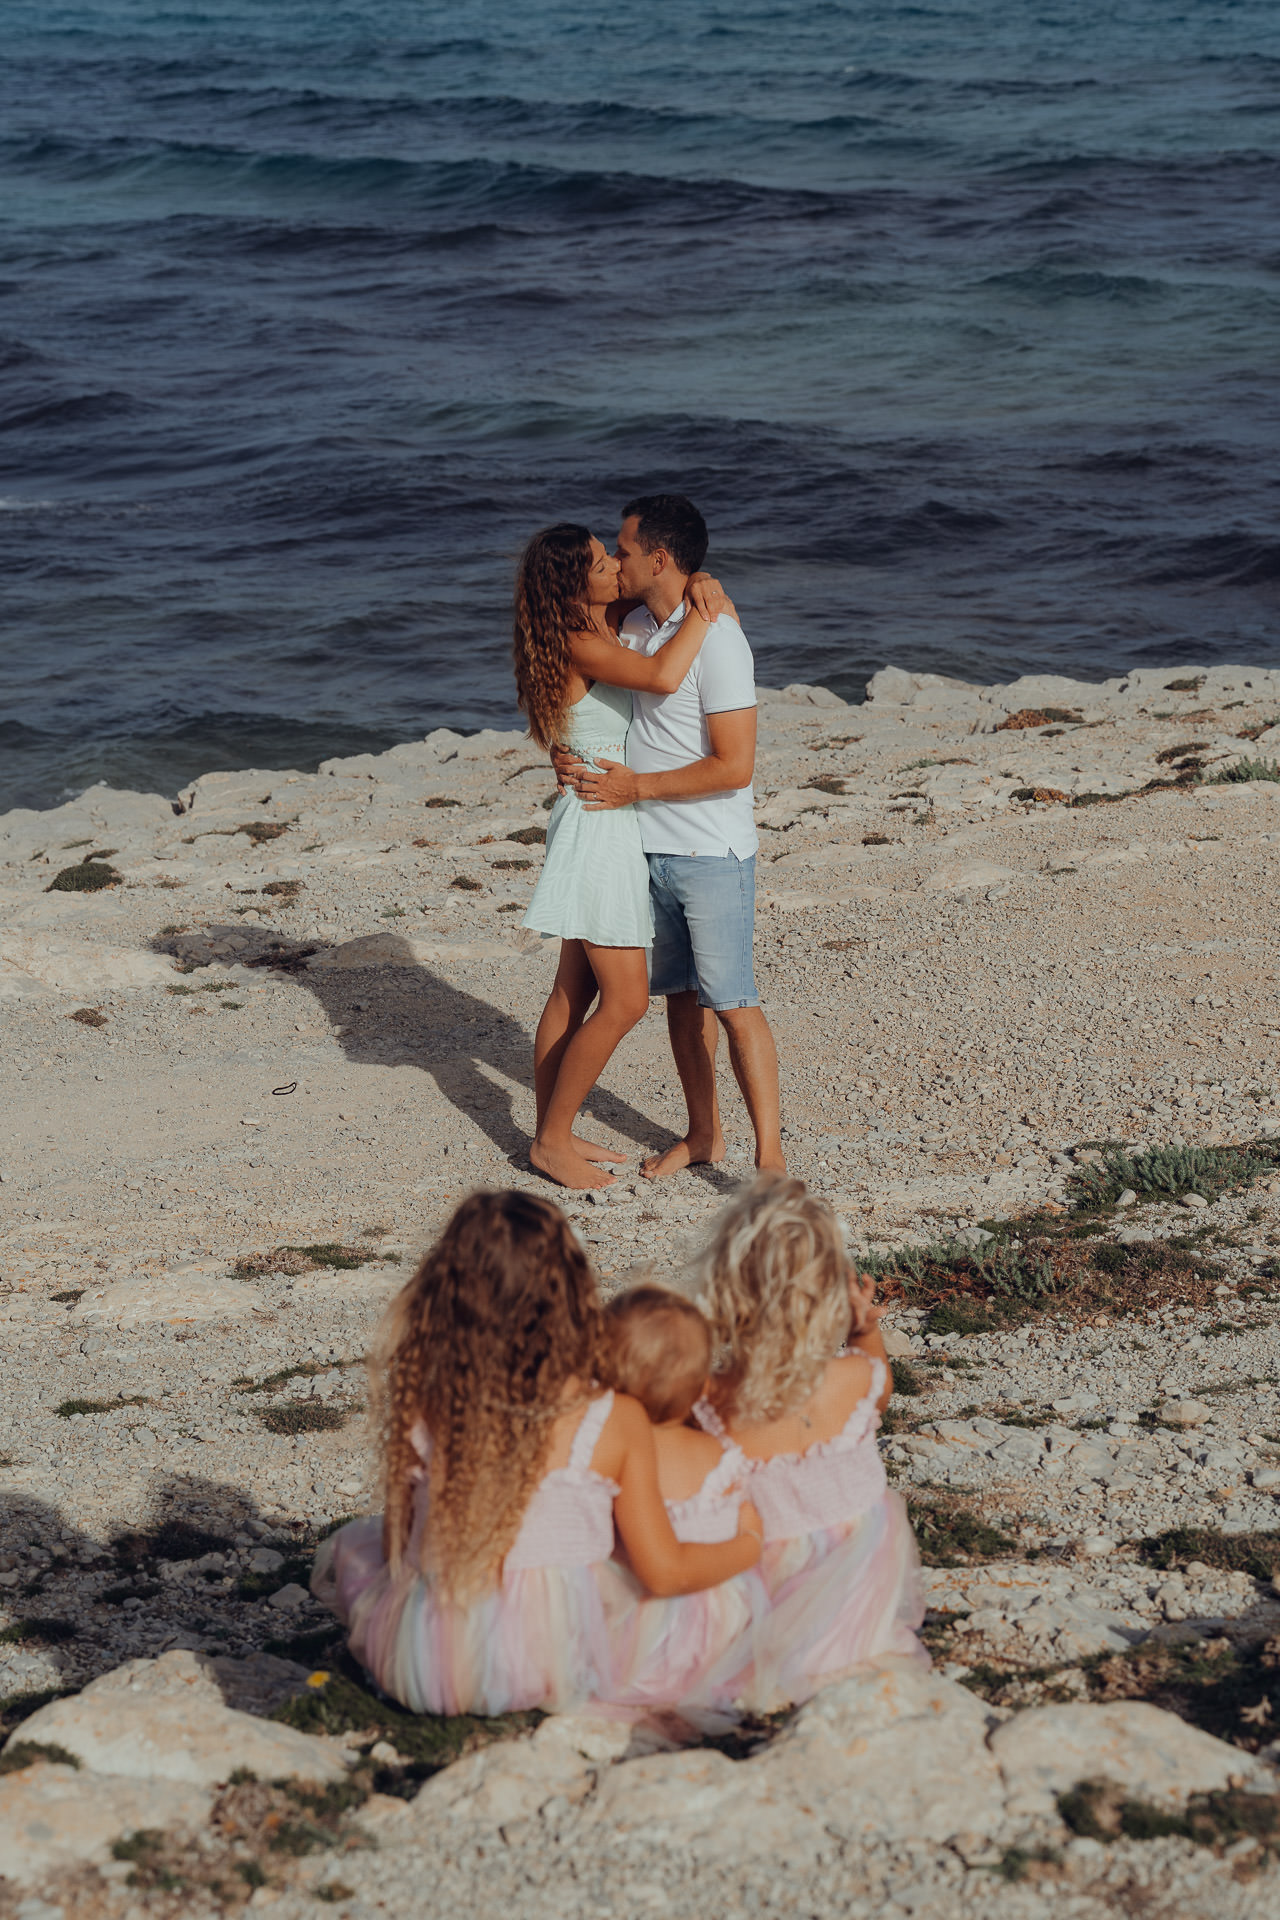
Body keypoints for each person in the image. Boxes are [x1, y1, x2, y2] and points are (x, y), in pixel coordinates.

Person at [310, 1189, 763, 1717]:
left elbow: (400, 1540)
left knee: (365, 1550)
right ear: (572, 1294)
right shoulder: (610, 1416)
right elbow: (661, 1569)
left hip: (433, 1666)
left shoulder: (430, 1401)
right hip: (564, 1661)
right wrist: (751, 1542)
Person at [558, 495, 785, 1181]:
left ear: (660, 558)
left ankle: (770, 1161)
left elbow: (734, 765)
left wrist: (639, 789)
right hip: (643, 851)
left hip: (711, 853)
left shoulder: (718, 637)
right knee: (682, 1002)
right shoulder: (630, 632)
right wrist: (563, 754)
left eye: (622, 551)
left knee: (735, 1005)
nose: (614, 562)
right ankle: (703, 1135)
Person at [512, 523, 724, 1192]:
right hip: (600, 823)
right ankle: (550, 1142)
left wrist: (698, 582)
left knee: (573, 991)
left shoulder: (602, 621)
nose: (614, 568)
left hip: (602, 813)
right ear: (571, 585)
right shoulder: (580, 642)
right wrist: (706, 615)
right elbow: (663, 676)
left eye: (613, 557)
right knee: (627, 999)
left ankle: (554, 1126)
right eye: (601, 563)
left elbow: (656, 586)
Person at [691, 1174, 926, 1709]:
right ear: (830, 1293)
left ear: (728, 1289)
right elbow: (881, 1389)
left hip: (767, 1584)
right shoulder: (854, 1378)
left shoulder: (711, 1396)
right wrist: (864, 1331)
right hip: (861, 1583)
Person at [601, 1284, 764, 1714]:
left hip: (639, 1625)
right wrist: (749, 1540)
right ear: (701, 1385)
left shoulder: (617, 1452)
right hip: (720, 1622)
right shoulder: (718, 1453)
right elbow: (745, 1519)